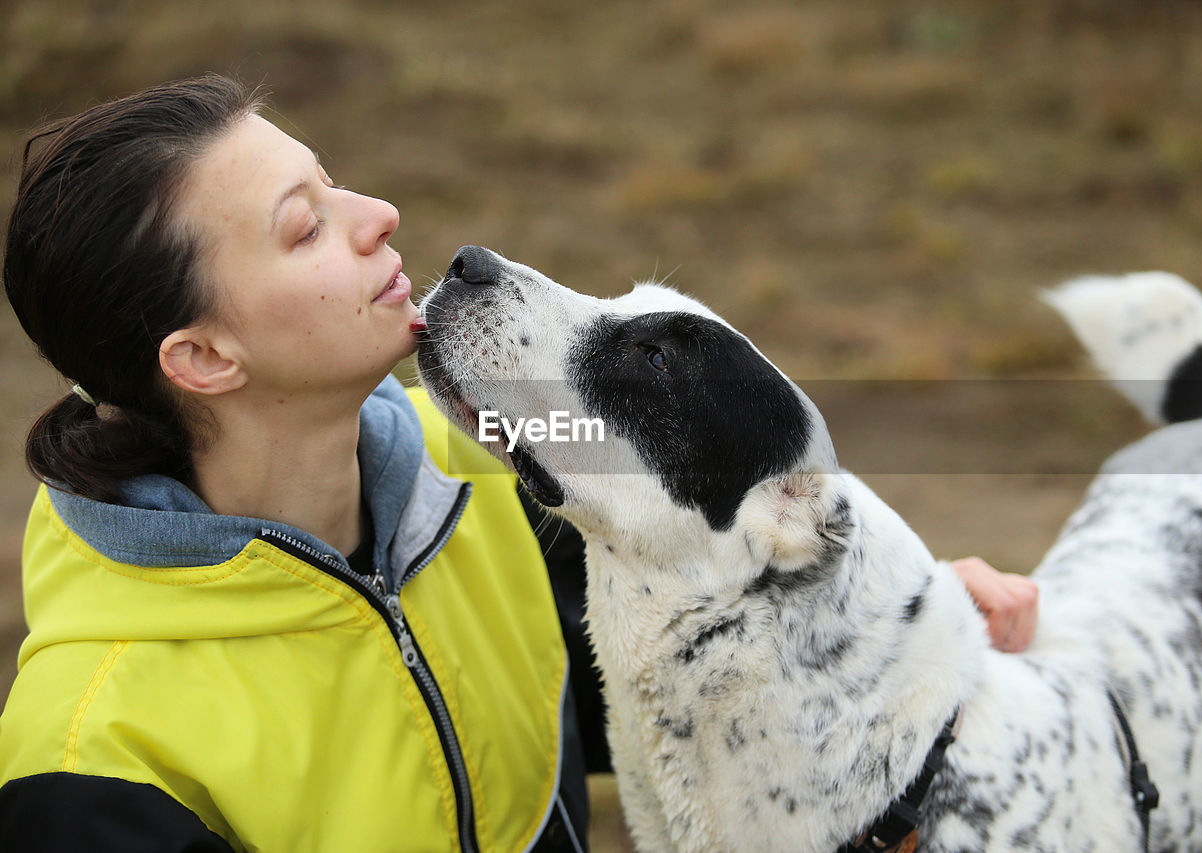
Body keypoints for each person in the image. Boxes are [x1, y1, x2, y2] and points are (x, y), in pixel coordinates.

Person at [0, 75, 1036, 851]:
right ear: (203, 357)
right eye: (306, 225)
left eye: (333, 182)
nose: (378, 217)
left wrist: (893, 622)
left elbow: (705, 560)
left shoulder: (495, 447)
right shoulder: (91, 768)